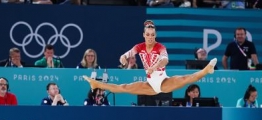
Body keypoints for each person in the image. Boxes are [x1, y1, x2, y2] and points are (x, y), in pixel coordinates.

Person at [83, 20, 216, 96]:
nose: (150, 37)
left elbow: (165, 60)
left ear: (155, 35)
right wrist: (123, 57)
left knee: (185, 79)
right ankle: (96, 84)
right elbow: (128, 54)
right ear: (144, 35)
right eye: (148, 34)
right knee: (123, 87)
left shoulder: (160, 47)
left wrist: (154, 67)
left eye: (152, 35)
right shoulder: (139, 47)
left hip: (163, 82)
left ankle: (206, 69)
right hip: (150, 85)